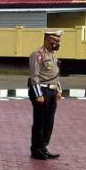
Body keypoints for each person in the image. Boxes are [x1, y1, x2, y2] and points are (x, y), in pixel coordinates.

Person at [29, 29, 64, 160]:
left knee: (49, 121)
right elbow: (34, 76)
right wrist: (38, 94)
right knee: (40, 121)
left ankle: (44, 146)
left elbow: (55, 75)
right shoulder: (37, 55)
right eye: (54, 40)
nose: (57, 43)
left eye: (58, 41)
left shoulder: (53, 55)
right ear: (47, 39)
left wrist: (58, 90)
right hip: (41, 90)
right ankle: (36, 149)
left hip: (52, 91)